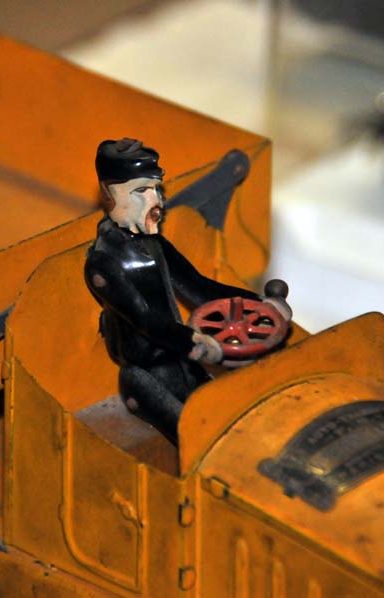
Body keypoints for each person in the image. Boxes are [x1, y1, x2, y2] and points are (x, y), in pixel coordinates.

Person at [84, 138, 291, 444]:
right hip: (143, 374)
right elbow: (144, 320)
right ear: (109, 194)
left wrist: (260, 303)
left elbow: (198, 286)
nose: (155, 201)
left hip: (181, 361)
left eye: (156, 189)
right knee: (197, 436)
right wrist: (194, 341)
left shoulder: (155, 245)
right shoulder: (102, 264)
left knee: (231, 421)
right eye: (140, 191)